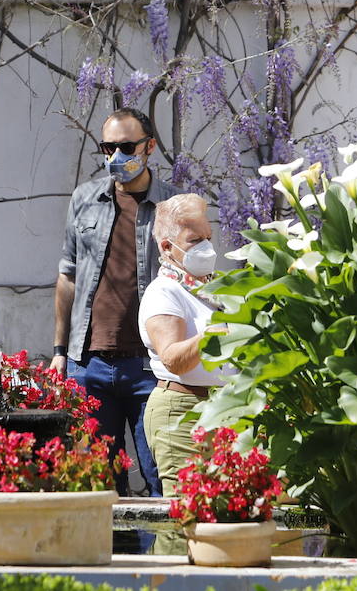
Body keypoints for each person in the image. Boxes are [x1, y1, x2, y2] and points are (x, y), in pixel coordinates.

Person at [51, 107, 177, 497]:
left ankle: (161, 558)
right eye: (108, 147)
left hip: (149, 367)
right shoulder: (85, 199)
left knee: (160, 476)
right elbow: (67, 276)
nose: (115, 157)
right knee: (95, 485)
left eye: (125, 147)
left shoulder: (173, 205)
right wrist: (59, 351)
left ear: (149, 146)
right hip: (88, 364)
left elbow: (191, 283)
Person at [139, 192, 232, 496]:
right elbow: (173, 359)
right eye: (195, 240)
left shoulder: (211, 289)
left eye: (208, 237)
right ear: (167, 247)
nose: (206, 247)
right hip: (182, 412)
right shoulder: (164, 292)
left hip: (222, 410)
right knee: (187, 515)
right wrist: (211, 335)